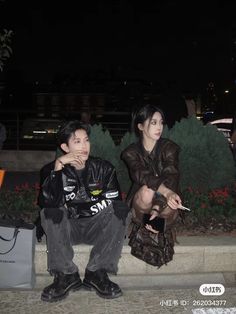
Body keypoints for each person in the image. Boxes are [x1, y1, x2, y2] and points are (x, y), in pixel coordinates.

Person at [38, 120, 128, 302]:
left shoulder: (104, 168)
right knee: (51, 212)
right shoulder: (51, 170)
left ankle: (97, 272)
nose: (84, 146)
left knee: (121, 209)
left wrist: (86, 211)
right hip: (67, 230)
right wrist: (57, 169)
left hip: (96, 228)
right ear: (65, 146)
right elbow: (48, 203)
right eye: (77, 141)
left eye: (86, 140)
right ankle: (66, 275)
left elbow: (114, 202)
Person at [121, 104, 182, 265]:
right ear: (140, 126)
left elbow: (171, 177)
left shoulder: (170, 148)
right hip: (141, 205)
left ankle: (151, 226)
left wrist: (158, 206)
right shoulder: (130, 152)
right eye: (153, 122)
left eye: (161, 122)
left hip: (164, 207)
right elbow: (141, 175)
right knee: (147, 190)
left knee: (172, 201)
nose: (159, 127)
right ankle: (152, 226)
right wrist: (165, 192)